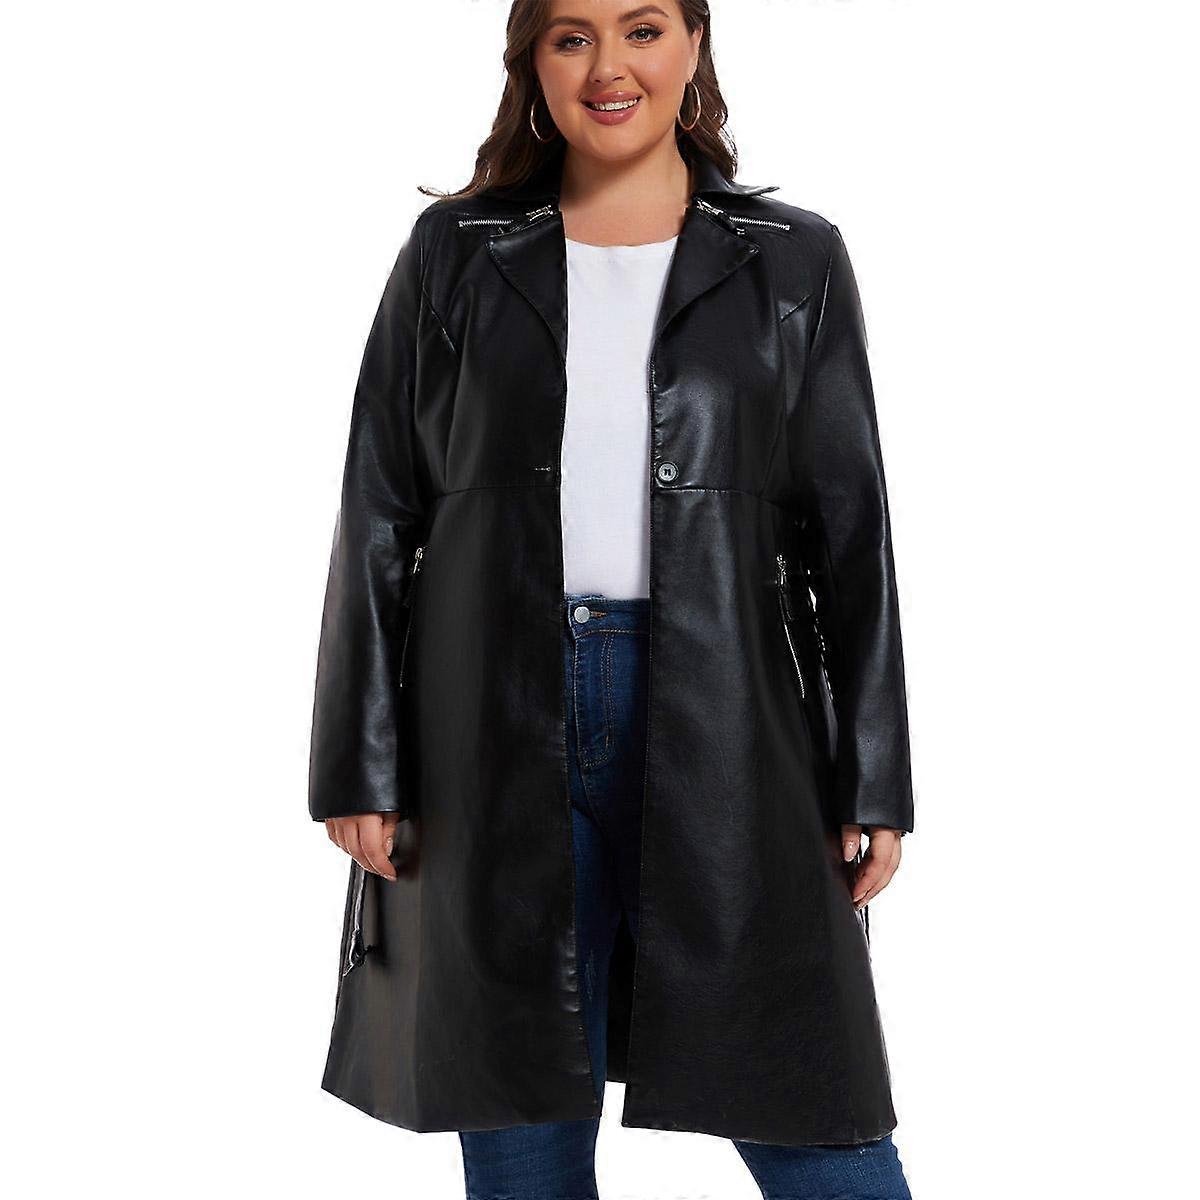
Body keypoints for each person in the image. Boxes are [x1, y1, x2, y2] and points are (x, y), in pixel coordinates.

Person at [307, 2, 915, 1197]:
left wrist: (874, 773)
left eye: (641, 29)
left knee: (810, 1103)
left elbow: (851, 532)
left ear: (692, 45)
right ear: (533, 62)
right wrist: (360, 762)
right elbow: (380, 507)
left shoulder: (793, 259)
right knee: (518, 1103)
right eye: (571, 36)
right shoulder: (455, 252)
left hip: (734, 715)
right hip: (491, 715)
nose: (609, 67)